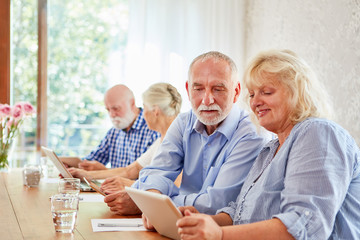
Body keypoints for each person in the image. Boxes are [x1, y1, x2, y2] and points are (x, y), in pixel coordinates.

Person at [173, 49, 360, 240]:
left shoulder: (319, 134)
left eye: (266, 92)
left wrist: (219, 234)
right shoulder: (269, 150)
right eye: (252, 94)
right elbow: (240, 212)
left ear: (296, 91)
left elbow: (303, 227)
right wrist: (200, 220)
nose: (255, 102)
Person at [104, 51, 266, 215]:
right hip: (179, 224)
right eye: (198, 89)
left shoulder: (252, 134)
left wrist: (150, 203)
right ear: (188, 90)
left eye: (218, 89)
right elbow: (157, 172)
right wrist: (152, 198)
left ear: (236, 92)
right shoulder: (183, 123)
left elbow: (216, 203)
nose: (207, 100)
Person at [68, 83, 183, 191]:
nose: (142, 113)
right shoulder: (161, 141)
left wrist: (129, 184)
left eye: (144, 108)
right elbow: (131, 170)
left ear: (155, 111)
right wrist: (87, 175)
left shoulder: (176, 141)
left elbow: (175, 188)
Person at [69, 84, 160, 171]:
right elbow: (91, 161)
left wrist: (104, 171)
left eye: (116, 108)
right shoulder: (114, 132)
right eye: (108, 110)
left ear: (132, 104)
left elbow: (147, 178)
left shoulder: (153, 130)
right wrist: (67, 164)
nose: (112, 115)